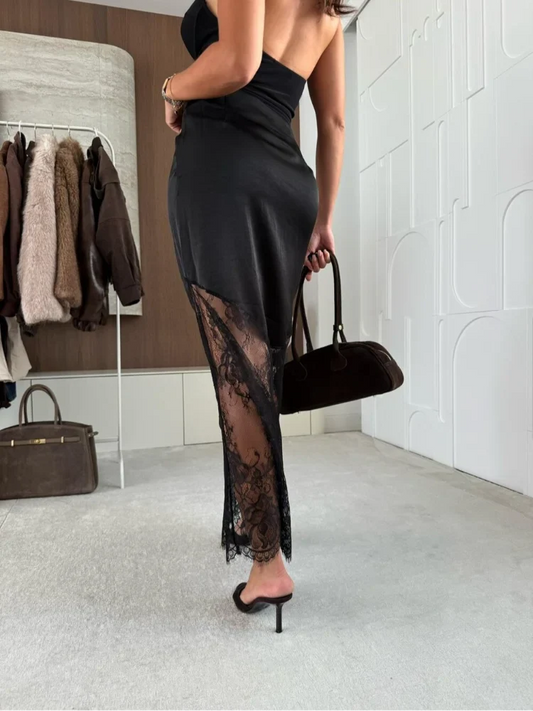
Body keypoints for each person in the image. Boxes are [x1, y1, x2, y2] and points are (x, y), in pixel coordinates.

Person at [165, 0, 351, 632]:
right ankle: (260, 526)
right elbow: (334, 122)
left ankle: (268, 563)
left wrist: (172, 89)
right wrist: (322, 221)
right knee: (260, 369)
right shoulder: (329, 13)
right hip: (288, 186)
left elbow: (238, 63)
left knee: (236, 372)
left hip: (223, 170)